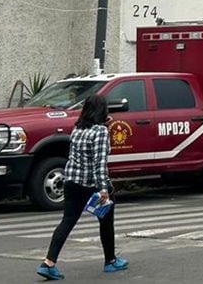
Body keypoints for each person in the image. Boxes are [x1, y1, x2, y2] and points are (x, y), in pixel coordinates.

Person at [37, 94, 128, 280]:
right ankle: (110, 261)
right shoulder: (100, 132)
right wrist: (103, 189)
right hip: (92, 184)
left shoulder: (77, 129)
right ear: (103, 111)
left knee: (67, 221)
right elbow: (99, 162)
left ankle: (48, 263)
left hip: (71, 182)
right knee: (106, 220)